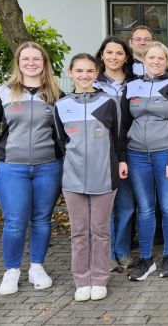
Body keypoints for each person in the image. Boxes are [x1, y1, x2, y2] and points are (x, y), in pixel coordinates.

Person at [0, 42, 63, 296]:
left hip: (48, 168)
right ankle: (12, 270)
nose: (31, 63)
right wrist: (5, 152)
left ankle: (37, 267)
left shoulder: (56, 94)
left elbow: (63, 133)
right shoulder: (2, 93)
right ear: (18, 63)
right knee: (15, 221)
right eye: (25, 59)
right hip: (12, 170)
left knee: (42, 219)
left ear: (44, 63)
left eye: (36, 59)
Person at [54, 54, 126, 301]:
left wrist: (119, 164)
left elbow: (118, 138)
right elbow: (61, 142)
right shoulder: (61, 105)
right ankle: (82, 280)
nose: (84, 76)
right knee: (79, 232)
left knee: (100, 231)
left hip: (104, 176)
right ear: (70, 72)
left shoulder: (109, 102)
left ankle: (99, 279)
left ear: (97, 73)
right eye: (79, 71)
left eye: (89, 71)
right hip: (72, 179)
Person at [121, 41, 168, 281]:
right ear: (144, 60)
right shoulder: (131, 87)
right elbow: (123, 125)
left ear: (167, 61)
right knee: (145, 208)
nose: (156, 62)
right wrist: (122, 158)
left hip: (165, 153)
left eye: (161, 58)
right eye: (151, 57)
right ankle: (146, 259)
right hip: (136, 155)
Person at [93, 37, 139, 272]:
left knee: (126, 204)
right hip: (102, 151)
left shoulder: (136, 84)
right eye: (109, 52)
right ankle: (107, 253)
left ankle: (122, 251)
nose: (114, 57)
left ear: (127, 57)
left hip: (130, 149)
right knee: (105, 206)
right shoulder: (93, 83)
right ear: (102, 55)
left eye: (119, 53)